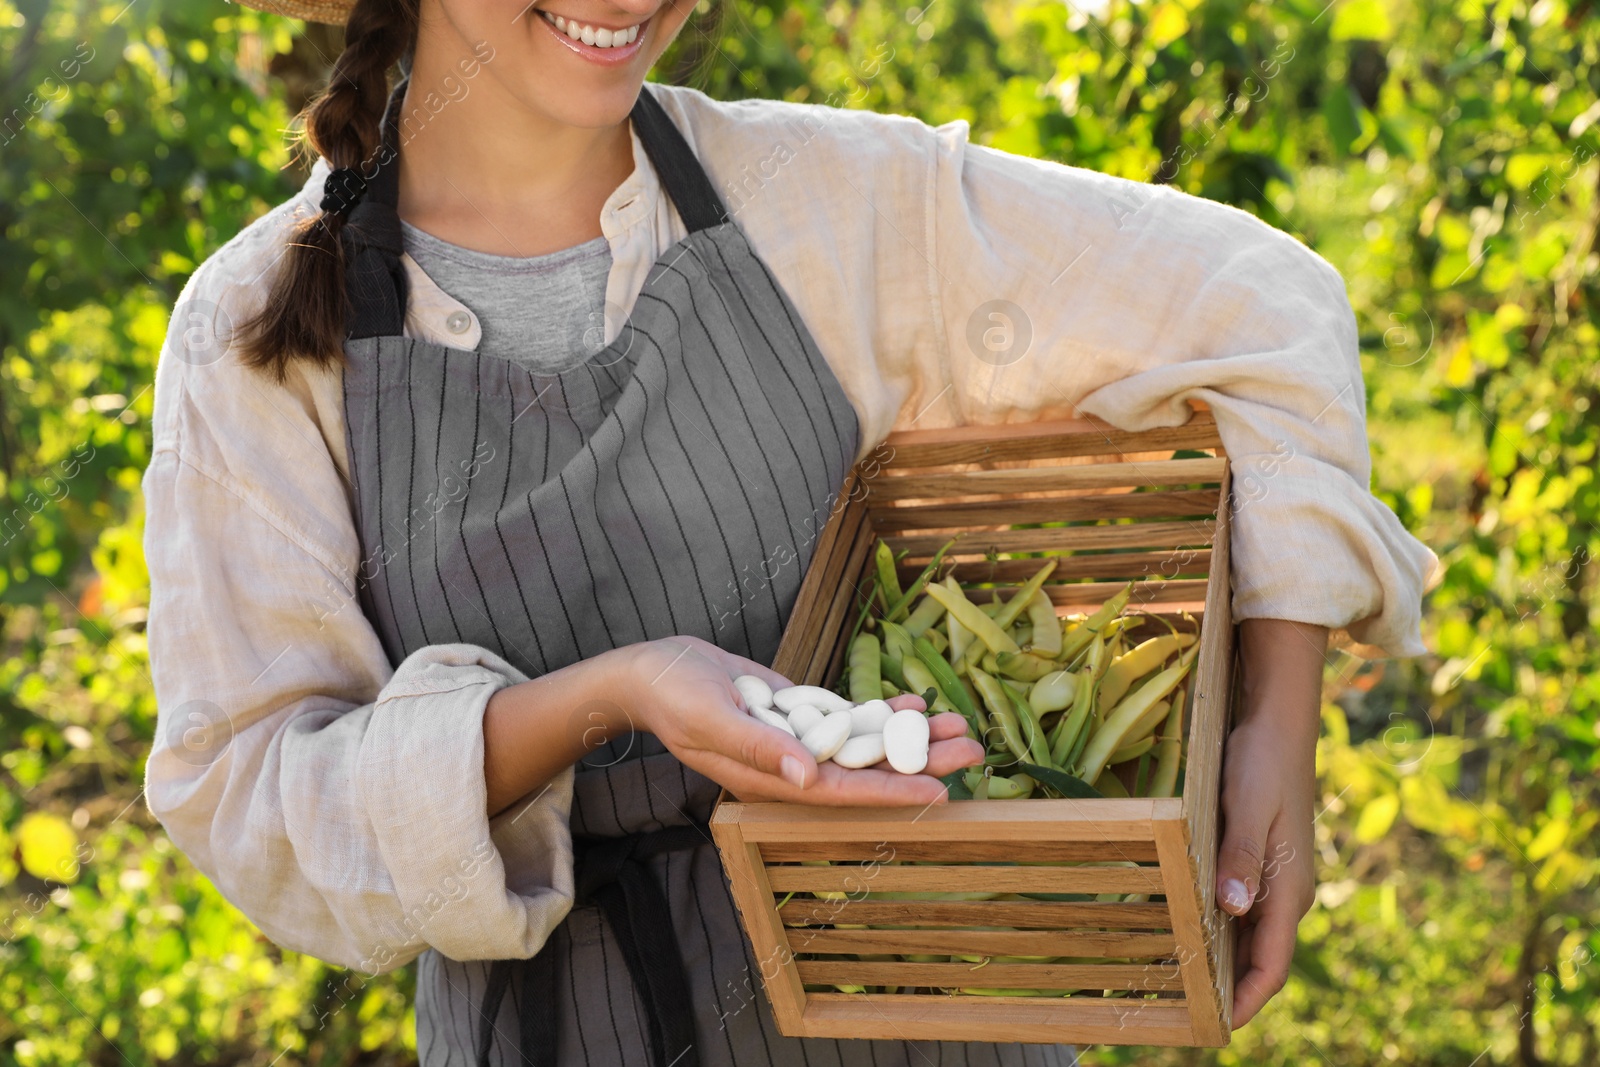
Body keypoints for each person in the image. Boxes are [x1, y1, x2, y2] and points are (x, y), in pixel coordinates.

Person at [141, 0, 1440, 1064]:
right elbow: (254, 789)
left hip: (937, 1018)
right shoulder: (253, 334)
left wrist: (1276, 730)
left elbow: (1266, 308)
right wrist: (608, 697)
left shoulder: (832, 201)